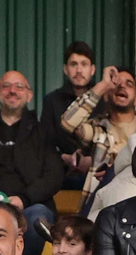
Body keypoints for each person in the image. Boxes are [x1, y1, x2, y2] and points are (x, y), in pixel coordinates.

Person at [0, 71, 64, 255]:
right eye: (6, 86)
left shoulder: (43, 133)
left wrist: (23, 199)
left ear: (29, 95)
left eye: (19, 86)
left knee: (38, 216)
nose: (12, 91)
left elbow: (54, 175)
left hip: (30, 208)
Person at [61, 66, 136, 206]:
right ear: (106, 95)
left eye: (129, 84)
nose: (122, 86)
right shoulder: (97, 129)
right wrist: (103, 85)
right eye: (116, 83)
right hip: (101, 207)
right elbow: (68, 122)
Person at [40, 40, 100, 168]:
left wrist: (92, 160)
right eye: (74, 64)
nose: (79, 70)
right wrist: (63, 157)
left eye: (84, 64)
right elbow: (46, 143)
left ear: (92, 70)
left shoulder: (105, 101)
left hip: (97, 170)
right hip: (60, 171)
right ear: (65, 69)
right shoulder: (51, 101)